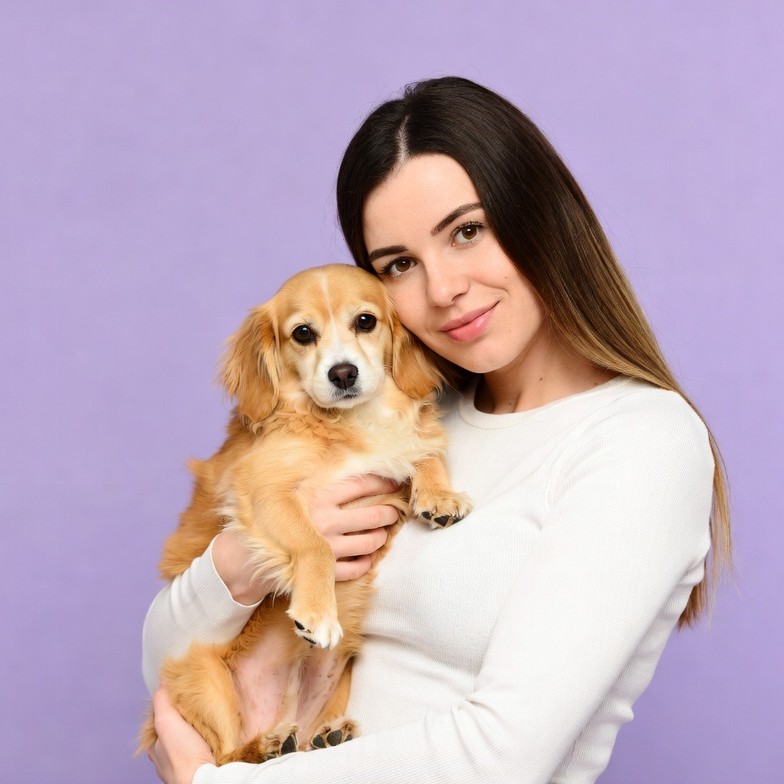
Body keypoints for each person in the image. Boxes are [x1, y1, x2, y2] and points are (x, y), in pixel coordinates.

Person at [144, 76, 731, 784]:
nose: (443, 288)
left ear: (540, 213)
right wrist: (242, 562)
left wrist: (219, 783)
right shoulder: (396, 422)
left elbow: (503, 757)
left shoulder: (641, 442)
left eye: (467, 231)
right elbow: (164, 665)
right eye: (399, 264)